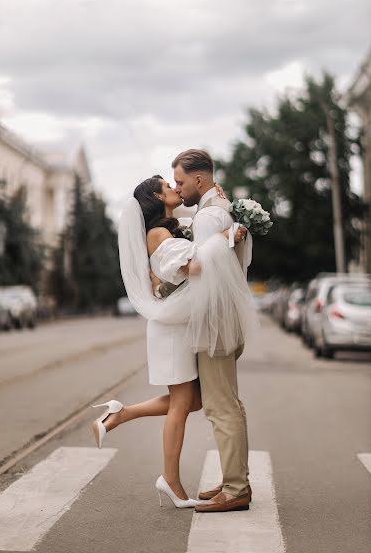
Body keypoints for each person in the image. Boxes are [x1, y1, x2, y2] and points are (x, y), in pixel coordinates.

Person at [91, 175, 248, 509]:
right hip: (171, 328)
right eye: (168, 184)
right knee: (182, 404)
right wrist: (224, 238)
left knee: (192, 401)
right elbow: (193, 265)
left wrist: (220, 205)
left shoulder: (173, 225)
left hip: (181, 323)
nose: (176, 188)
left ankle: (120, 414)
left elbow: (208, 216)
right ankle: (171, 481)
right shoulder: (157, 233)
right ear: (155, 195)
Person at [172, 149, 255, 513]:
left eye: (180, 181)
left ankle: (236, 489)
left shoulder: (208, 217)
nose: (179, 188)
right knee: (229, 403)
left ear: (199, 180)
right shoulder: (222, 208)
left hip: (214, 322)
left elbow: (201, 269)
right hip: (225, 319)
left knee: (221, 407)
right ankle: (234, 477)